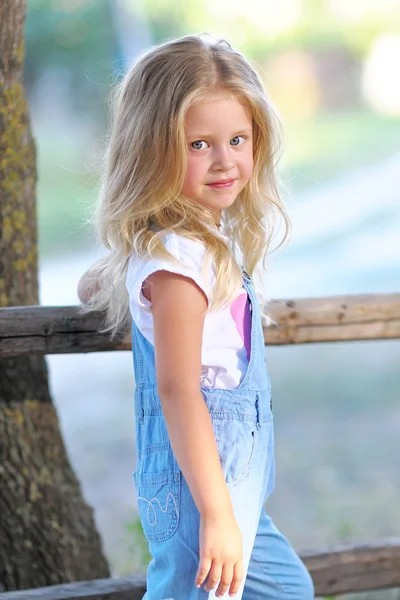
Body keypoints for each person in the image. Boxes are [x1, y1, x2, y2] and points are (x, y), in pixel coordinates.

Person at [78, 34, 314, 600]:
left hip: (235, 479)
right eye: (199, 145)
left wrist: (106, 276)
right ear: (152, 151)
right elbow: (179, 388)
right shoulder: (179, 261)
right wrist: (215, 513)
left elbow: (105, 283)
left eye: (237, 138)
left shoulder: (194, 241)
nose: (225, 160)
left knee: (286, 590)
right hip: (200, 486)